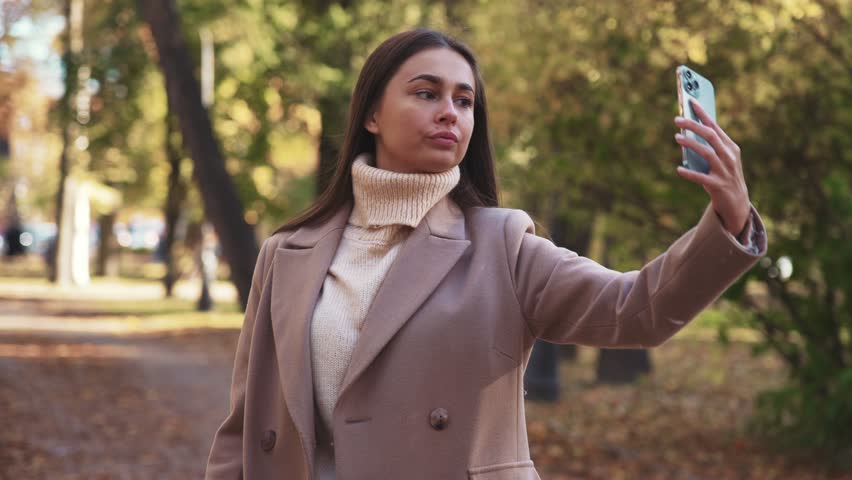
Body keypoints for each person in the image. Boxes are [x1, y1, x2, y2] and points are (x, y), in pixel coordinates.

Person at [205, 28, 766, 480]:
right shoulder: (287, 254)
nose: (451, 112)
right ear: (371, 115)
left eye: (464, 100)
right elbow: (243, 426)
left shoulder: (501, 244)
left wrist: (729, 220)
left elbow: (635, 309)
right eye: (427, 93)